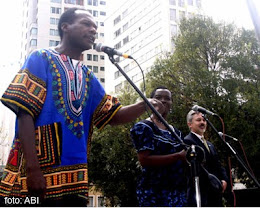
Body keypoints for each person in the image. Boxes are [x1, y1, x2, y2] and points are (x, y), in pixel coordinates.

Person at [0, 8, 160, 207]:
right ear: (65, 27)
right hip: (35, 176)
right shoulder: (41, 58)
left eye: (96, 27)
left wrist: (144, 104)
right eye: (86, 24)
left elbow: (113, 115)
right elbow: (25, 113)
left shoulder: (87, 75)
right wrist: (33, 169)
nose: (93, 30)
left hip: (75, 180)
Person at [130, 86, 188, 207]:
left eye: (167, 98)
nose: (163, 101)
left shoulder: (176, 132)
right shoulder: (144, 127)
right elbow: (144, 160)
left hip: (177, 193)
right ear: (151, 101)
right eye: (158, 97)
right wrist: (178, 156)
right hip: (154, 193)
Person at [184, 110, 228, 207]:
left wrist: (223, 179)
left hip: (215, 192)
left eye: (204, 120)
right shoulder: (188, 141)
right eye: (198, 120)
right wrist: (214, 181)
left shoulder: (210, 144)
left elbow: (218, 164)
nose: (202, 122)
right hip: (201, 192)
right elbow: (196, 167)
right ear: (190, 124)